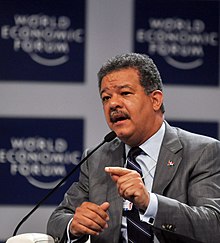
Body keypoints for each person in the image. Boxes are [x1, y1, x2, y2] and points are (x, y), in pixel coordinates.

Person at [47, 53, 220, 243]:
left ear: (155, 100)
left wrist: (150, 203)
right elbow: (58, 219)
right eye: (106, 98)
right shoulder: (98, 158)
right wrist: (74, 225)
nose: (113, 104)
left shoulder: (202, 152)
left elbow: (213, 225)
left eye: (125, 93)